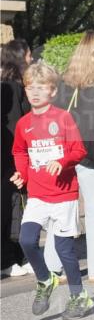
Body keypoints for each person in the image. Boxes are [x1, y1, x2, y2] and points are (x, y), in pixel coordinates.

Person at [11, 62, 89, 318]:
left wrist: (62, 161)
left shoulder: (63, 118)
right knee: (26, 239)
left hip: (64, 195)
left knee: (65, 250)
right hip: (37, 195)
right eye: (30, 87)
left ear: (52, 91)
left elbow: (79, 150)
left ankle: (79, 296)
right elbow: (20, 151)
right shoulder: (24, 124)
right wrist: (22, 174)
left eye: (41, 87)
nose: (34, 92)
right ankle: (45, 280)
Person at [45, 30, 94, 283]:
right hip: (91, 152)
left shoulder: (64, 81)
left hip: (64, 153)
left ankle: (54, 268)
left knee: (62, 211)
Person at [2, 39, 31, 277]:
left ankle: (14, 257)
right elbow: (22, 123)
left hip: (7, 154)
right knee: (16, 207)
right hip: (13, 155)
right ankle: (15, 258)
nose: (31, 59)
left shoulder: (5, 84)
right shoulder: (15, 88)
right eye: (29, 55)